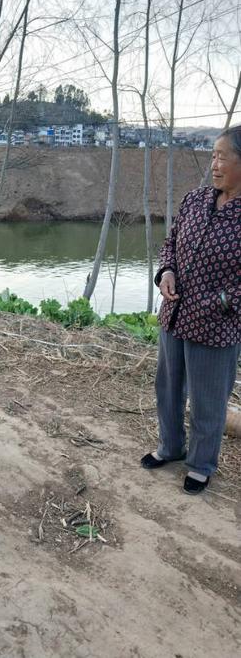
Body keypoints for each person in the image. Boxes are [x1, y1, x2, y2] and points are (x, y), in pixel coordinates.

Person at [141, 125, 241, 495]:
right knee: (167, 387)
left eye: (222, 157)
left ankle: (200, 464)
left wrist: (218, 303)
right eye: (212, 156)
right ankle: (170, 447)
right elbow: (170, 243)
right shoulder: (195, 200)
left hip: (216, 327)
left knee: (208, 399)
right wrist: (166, 272)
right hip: (175, 314)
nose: (214, 164)